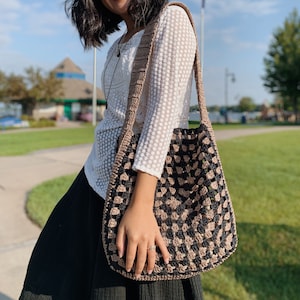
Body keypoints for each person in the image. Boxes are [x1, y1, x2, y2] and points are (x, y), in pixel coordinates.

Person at [19, 0, 204, 299]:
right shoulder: (120, 43)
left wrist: (142, 206)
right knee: (50, 277)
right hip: (93, 186)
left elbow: (163, 120)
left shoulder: (172, 19)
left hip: (140, 192)